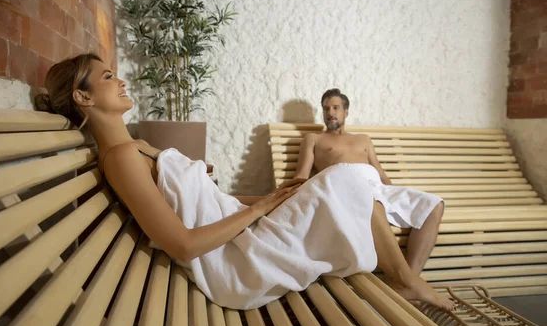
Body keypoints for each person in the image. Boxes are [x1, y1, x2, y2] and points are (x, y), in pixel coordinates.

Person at [35, 53, 454, 310]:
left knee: (354, 180)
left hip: (241, 227)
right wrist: (258, 210)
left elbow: (209, 199)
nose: (120, 79)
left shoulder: (137, 147)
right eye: (107, 76)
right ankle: (406, 279)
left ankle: (404, 278)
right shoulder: (122, 158)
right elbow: (182, 243)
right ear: (83, 97)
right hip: (235, 260)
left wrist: (271, 197)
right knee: (352, 178)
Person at [292, 88, 445, 276]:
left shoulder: (363, 139)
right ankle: (407, 281)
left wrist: (394, 193)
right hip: (346, 190)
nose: (330, 113)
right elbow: (301, 175)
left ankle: (411, 280)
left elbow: (381, 173)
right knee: (375, 207)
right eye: (326, 108)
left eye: (335, 107)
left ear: (346, 112)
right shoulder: (314, 139)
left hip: (377, 188)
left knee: (434, 205)